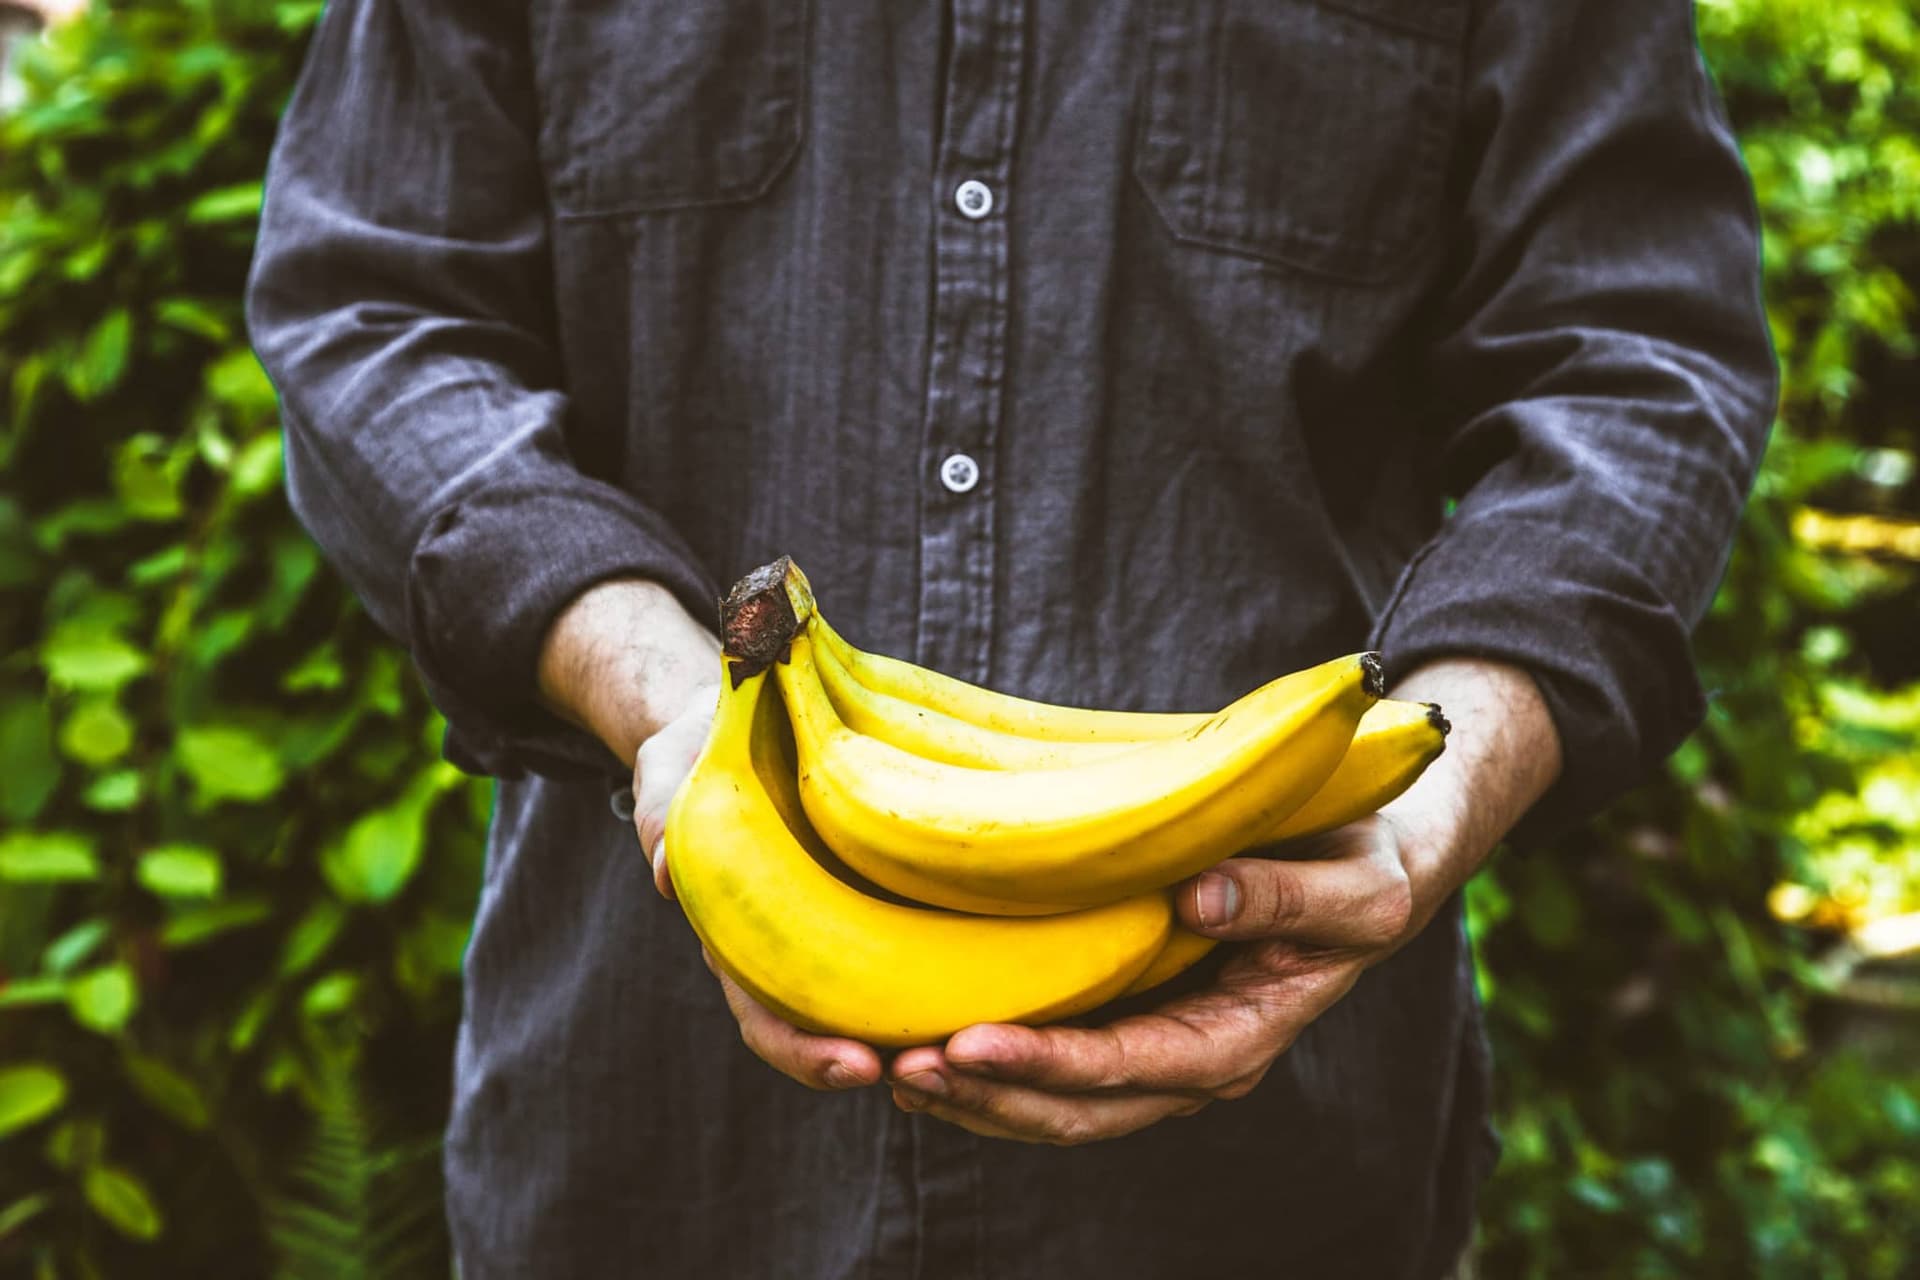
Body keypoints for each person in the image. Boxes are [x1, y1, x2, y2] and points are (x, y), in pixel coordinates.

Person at [246, 1, 1775, 1275]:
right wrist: (650, 678)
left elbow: (1637, 363)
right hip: (644, 1152)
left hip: (1271, 1192)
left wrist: (1437, 788)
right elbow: (372, 301)